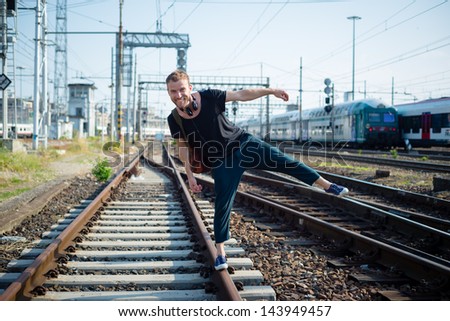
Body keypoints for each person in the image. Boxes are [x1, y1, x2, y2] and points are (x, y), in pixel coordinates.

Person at [166, 69, 349, 271]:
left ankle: (327, 186)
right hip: (221, 161)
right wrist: (190, 176)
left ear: (189, 88)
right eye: (173, 91)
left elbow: (242, 95)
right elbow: (182, 148)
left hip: (244, 144)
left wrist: (272, 91)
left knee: (286, 162)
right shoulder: (174, 118)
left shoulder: (209, 96)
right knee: (222, 205)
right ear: (169, 92)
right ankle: (220, 253)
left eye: (181, 89)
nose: (178, 95)